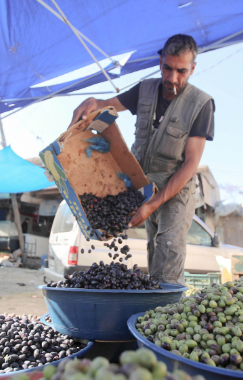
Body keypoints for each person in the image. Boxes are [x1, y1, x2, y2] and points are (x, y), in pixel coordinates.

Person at [68, 34, 214, 284]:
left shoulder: (201, 104)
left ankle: (167, 312)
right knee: (154, 250)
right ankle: (152, 310)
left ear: (193, 68)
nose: (172, 78)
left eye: (181, 71)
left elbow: (190, 164)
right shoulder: (145, 90)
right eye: (167, 68)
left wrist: (153, 203)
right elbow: (105, 104)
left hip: (177, 190)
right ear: (160, 61)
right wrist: (93, 102)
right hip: (144, 186)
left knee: (168, 247)